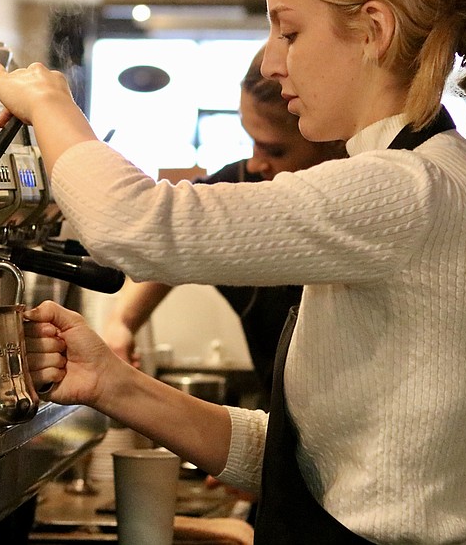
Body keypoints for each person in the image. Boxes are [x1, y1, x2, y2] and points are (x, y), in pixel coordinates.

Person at [0, 0, 466, 545]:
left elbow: (133, 223)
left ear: (374, 30)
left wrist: (51, 103)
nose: (270, 61)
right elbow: (299, 463)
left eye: (289, 29)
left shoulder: (406, 191)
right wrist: (113, 383)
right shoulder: (427, 181)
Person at [101, 44, 344, 406]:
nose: (257, 163)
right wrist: (122, 323)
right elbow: (175, 237)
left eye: (274, 150)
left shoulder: (361, 204)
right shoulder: (243, 183)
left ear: (335, 140)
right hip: (283, 424)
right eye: (251, 142)